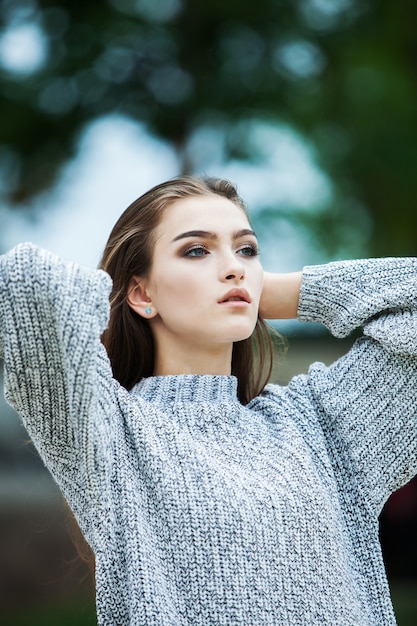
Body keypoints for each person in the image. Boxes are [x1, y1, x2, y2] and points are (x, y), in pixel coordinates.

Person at [0, 176, 416, 625]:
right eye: (196, 250)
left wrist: (279, 293)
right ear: (141, 293)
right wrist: (114, 295)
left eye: (246, 250)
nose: (234, 268)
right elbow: (25, 282)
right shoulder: (109, 433)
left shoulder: (319, 427)